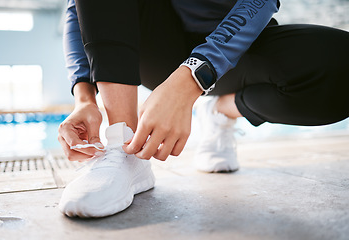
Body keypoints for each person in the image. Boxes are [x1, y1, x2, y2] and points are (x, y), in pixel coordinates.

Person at [57, 0, 349, 218]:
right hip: (158, 47)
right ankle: (124, 150)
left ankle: (222, 110)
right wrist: (84, 97)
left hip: (239, 44)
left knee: (341, 65)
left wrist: (190, 81)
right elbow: (76, 8)